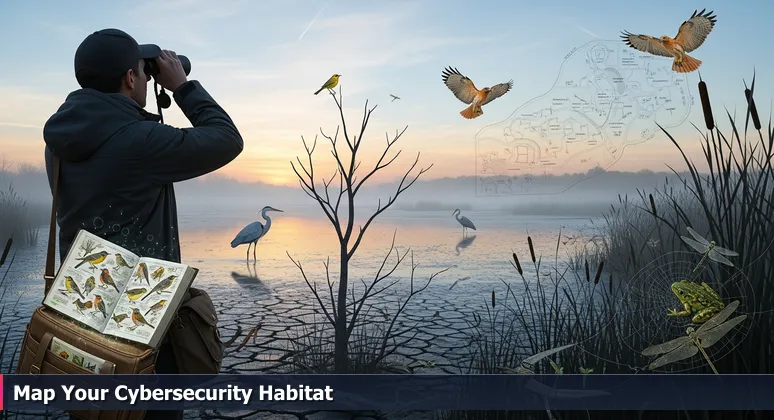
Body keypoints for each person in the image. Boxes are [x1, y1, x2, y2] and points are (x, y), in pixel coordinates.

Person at [42, 28, 244, 420]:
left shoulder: (59, 141)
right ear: (130, 78)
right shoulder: (140, 141)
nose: (149, 80)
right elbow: (226, 139)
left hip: (80, 320)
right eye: (143, 72)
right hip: (142, 330)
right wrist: (183, 87)